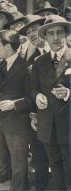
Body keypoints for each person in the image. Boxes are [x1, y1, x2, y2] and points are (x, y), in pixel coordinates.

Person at [0, 30, 33, 191]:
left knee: (18, 164)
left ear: (8, 46)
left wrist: (14, 104)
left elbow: (32, 98)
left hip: (17, 122)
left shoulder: (27, 67)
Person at [31, 15, 71, 190]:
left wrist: (69, 92)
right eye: (51, 34)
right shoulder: (39, 62)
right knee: (54, 165)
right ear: (45, 37)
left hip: (68, 124)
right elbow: (32, 88)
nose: (56, 38)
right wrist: (37, 96)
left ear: (66, 35)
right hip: (48, 124)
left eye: (60, 33)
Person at [18, 14, 50, 190]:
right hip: (35, 115)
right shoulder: (27, 56)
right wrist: (32, 114)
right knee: (38, 153)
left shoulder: (62, 50)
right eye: (28, 31)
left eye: (34, 29)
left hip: (60, 113)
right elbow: (27, 88)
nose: (32, 34)